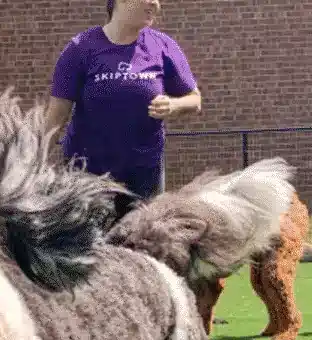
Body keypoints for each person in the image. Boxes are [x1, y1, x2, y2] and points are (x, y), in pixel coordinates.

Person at [44, 0, 202, 219]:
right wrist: (30, 164)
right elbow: (55, 118)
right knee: (90, 248)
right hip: (87, 179)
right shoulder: (80, 48)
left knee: (143, 246)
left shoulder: (162, 46)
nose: (155, 4)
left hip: (144, 177)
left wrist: (173, 105)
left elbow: (195, 99)